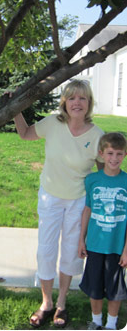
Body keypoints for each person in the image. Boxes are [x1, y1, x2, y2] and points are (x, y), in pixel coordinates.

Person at [13, 79, 104, 328]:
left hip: (78, 201)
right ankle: (46, 303)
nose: (77, 102)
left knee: (71, 253)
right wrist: (15, 110)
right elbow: (24, 133)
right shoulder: (53, 123)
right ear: (64, 102)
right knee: (46, 250)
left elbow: (103, 172)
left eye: (82, 98)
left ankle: (62, 302)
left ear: (89, 103)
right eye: (72, 97)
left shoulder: (98, 136)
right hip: (50, 196)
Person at [78, 132, 127, 330]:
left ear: (125, 155)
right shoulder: (92, 180)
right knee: (95, 286)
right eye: (110, 153)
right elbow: (87, 210)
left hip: (116, 245)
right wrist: (82, 239)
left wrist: (126, 249)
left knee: (115, 288)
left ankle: (111, 324)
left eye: (119, 154)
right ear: (101, 154)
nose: (114, 158)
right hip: (95, 244)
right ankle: (96, 321)